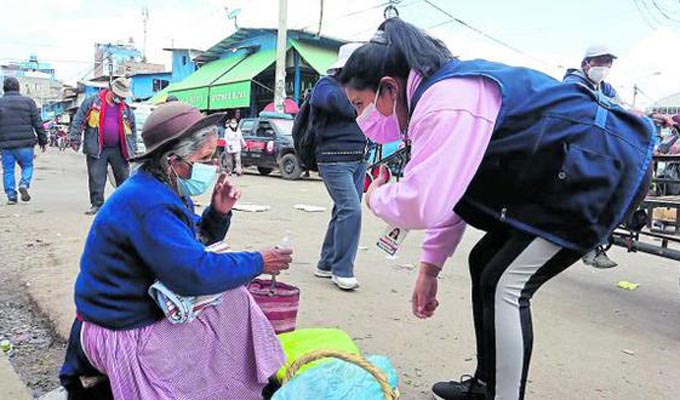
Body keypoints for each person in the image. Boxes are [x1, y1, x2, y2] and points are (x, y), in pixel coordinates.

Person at [340, 18, 652, 400]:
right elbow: (455, 193)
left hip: (602, 173)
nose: (361, 117)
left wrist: (376, 197)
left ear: (388, 87)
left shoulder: (444, 102)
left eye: (359, 104)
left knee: (507, 282)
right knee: (484, 262)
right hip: (563, 175)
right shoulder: (438, 95)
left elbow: (422, 203)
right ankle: (486, 385)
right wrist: (429, 268)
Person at [59, 102, 292, 399]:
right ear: (172, 160)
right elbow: (192, 274)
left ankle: (245, 379)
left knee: (234, 298)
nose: (212, 166)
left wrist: (217, 213)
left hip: (134, 312)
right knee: (231, 302)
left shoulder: (161, 188)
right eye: (205, 158)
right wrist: (259, 261)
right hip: (119, 328)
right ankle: (237, 382)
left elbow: (188, 247)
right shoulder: (150, 202)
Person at [311, 42, 367, 290]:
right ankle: (342, 269)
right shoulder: (326, 85)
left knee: (342, 210)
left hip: (359, 158)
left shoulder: (364, 89)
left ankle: (326, 263)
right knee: (351, 210)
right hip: (333, 159)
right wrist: (362, 97)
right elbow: (342, 106)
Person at [564, 46, 623, 269]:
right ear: (585, 64)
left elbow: (621, 107)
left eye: (608, 62)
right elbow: (590, 106)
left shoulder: (605, 87)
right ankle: (588, 244)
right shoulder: (573, 83)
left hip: (594, 146)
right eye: (600, 61)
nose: (605, 67)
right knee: (594, 186)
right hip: (572, 145)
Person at [68, 77, 137, 215]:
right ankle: (97, 204)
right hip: (97, 147)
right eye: (119, 96)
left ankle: (124, 205)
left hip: (119, 149)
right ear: (111, 91)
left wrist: (133, 149)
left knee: (123, 178)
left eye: (123, 97)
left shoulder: (126, 109)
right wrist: (75, 138)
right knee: (96, 177)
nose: (121, 99)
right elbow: (78, 120)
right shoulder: (93, 102)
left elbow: (132, 129)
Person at [0, 77, 47, 205]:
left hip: (6, 144)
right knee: (27, 166)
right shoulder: (28, 102)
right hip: (25, 144)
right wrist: (43, 140)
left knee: (8, 170)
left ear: (4, 88)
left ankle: (11, 196)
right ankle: (24, 184)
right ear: (18, 88)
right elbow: (37, 122)